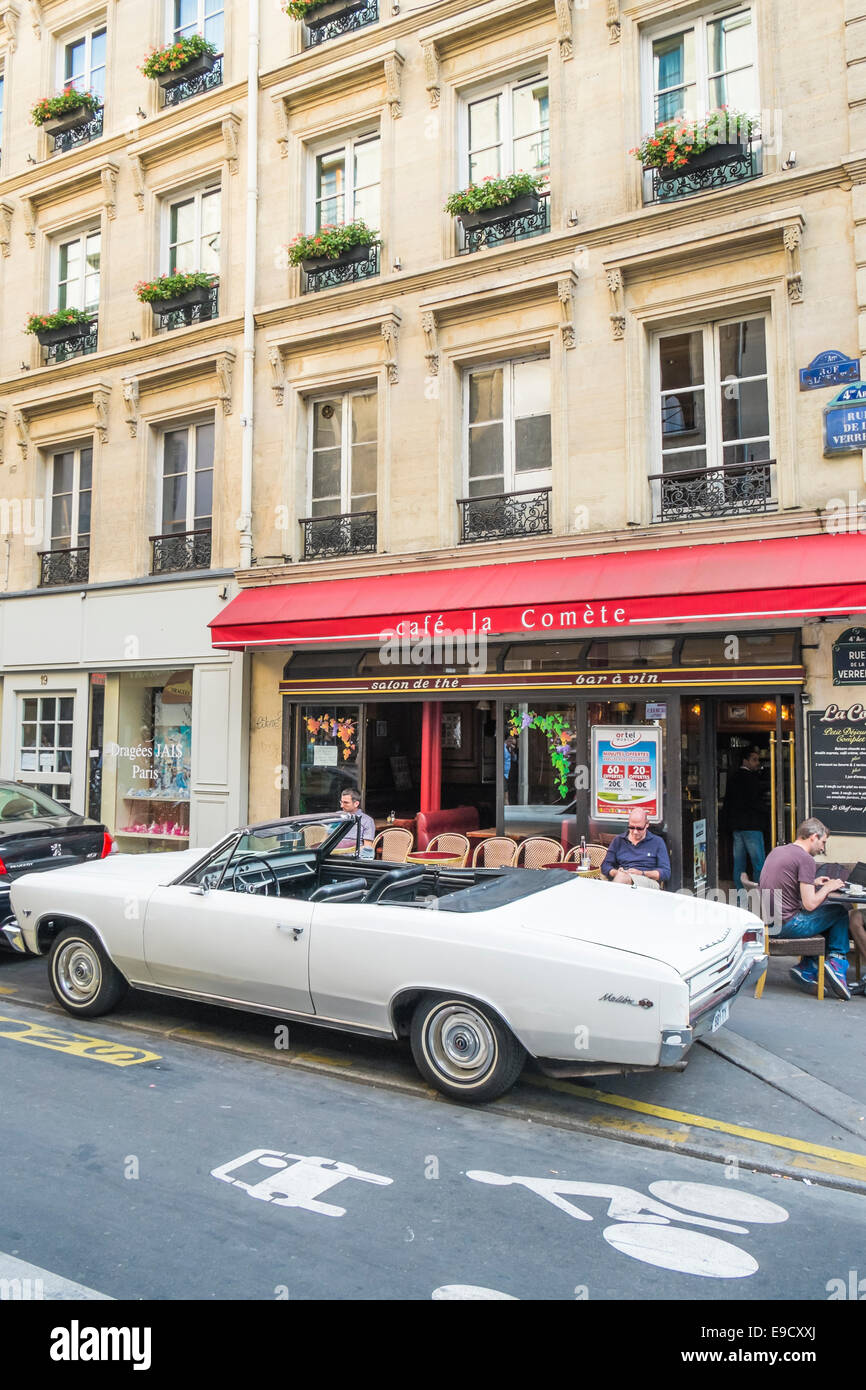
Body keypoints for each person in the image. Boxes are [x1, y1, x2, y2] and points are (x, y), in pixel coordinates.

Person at [759, 818, 853, 999]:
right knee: (839, 912)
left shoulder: (778, 851)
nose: (823, 848)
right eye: (823, 842)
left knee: (825, 918)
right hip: (787, 925)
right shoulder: (805, 859)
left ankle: (808, 968)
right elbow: (810, 904)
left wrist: (813, 882)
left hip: (769, 924)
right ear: (813, 837)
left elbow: (787, 883)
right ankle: (837, 963)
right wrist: (828, 887)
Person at [723, 746, 768, 888]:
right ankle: (761, 896)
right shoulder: (752, 779)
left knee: (739, 864)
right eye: (754, 760)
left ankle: (739, 897)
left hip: (737, 827)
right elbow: (755, 802)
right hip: (752, 826)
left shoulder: (733, 777)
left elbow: (728, 802)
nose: (757, 763)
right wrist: (768, 810)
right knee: (759, 863)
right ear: (745, 761)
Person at [601, 809, 671, 890]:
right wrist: (616, 872)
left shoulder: (657, 842)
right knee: (621, 877)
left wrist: (641, 873)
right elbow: (605, 865)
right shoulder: (619, 840)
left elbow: (666, 873)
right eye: (631, 827)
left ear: (647, 824)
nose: (635, 832)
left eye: (639, 828)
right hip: (621, 877)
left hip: (648, 880)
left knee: (622, 878)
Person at [337, 788, 375, 858]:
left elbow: (367, 847)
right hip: (331, 856)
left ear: (356, 803)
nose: (341, 806)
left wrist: (344, 850)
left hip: (353, 858)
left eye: (346, 803)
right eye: (341, 802)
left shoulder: (367, 821)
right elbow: (326, 838)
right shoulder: (337, 816)